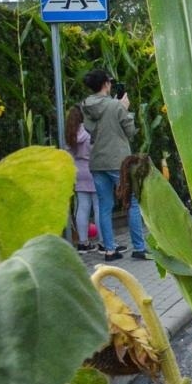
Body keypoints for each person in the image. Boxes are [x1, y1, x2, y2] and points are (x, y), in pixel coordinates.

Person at [80, 68, 148, 262]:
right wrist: (125, 109)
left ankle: (110, 250)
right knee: (132, 203)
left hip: (97, 162)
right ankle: (139, 247)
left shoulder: (86, 106)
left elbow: (90, 130)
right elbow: (130, 131)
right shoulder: (115, 106)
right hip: (118, 161)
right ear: (106, 84)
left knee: (104, 206)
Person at [65, 105, 96, 250]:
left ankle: (83, 243)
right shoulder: (88, 134)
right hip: (91, 170)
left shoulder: (70, 135)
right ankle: (103, 242)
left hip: (78, 172)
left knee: (82, 207)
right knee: (98, 207)